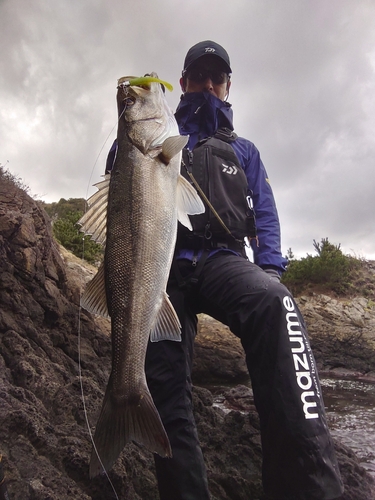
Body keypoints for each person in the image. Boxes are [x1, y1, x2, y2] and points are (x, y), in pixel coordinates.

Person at [107, 41, 344, 500]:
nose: (209, 85)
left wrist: (270, 270)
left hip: (225, 260)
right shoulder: (160, 136)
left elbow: (267, 214)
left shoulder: (245, 150)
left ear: (229, 84)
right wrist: (125, 149)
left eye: (218, 78)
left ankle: (308, 489)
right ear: (183, 83)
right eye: (200, 77)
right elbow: (121, 201)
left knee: (277, 305)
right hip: (164, 268)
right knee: (162, 381)